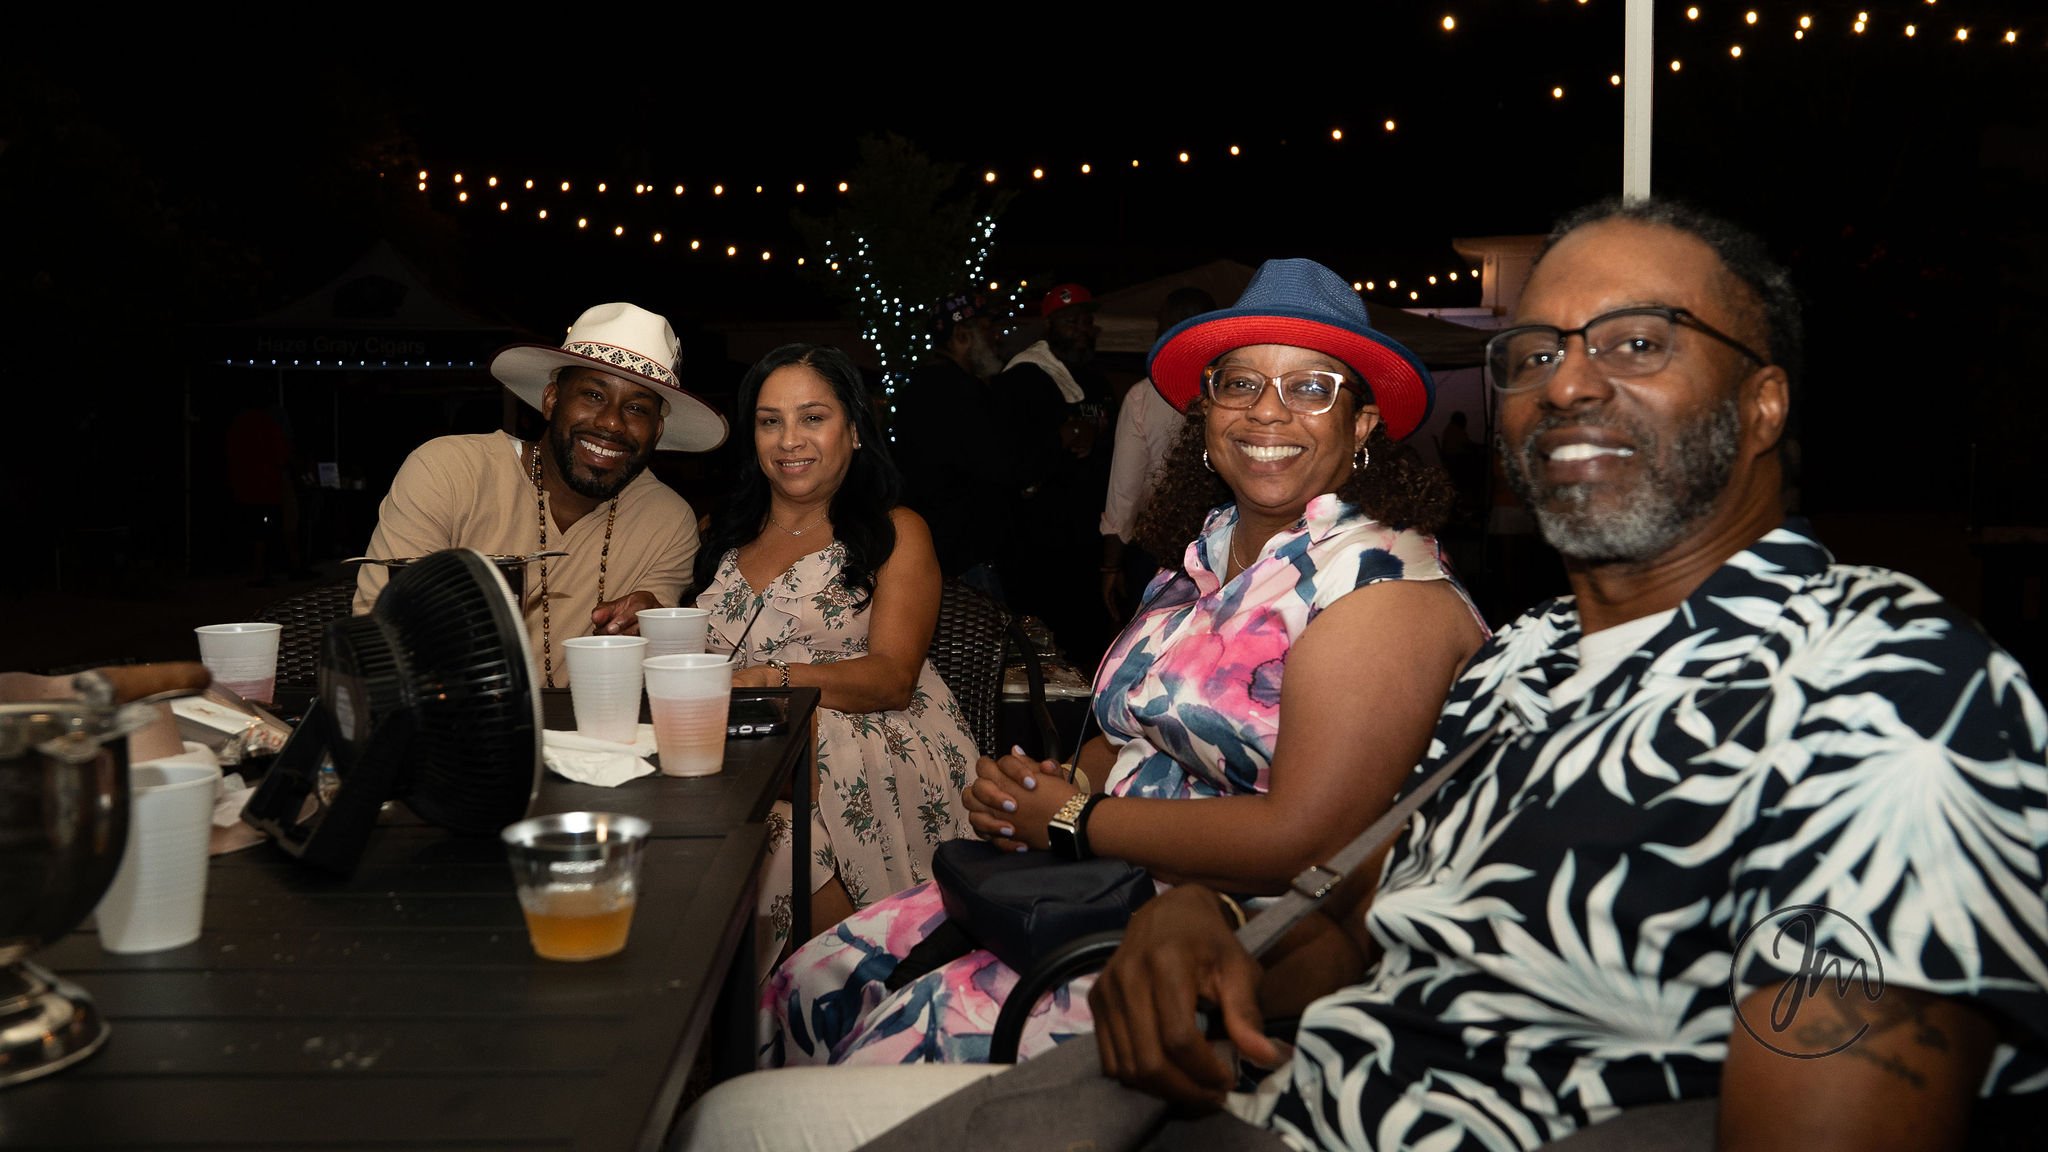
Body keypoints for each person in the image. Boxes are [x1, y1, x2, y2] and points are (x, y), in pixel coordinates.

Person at [673, 200, 2048, 1152]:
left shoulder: (1888, 689)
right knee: (736, 1107)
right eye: (1535, 354)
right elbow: (1368, 911)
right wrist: (1208, 932)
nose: (1568, 385)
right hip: (1270, 1088)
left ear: (1763, 405)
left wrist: (1096, 836)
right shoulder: (1531, 662)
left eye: (1638, 343)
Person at [752, 257, 1488, 1070]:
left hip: (1229, 942)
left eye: (1310, 388)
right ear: (1206, 409)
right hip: (1091, 885)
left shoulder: (1384, 588)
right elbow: (1121, 730)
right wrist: (1041, 788)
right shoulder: (1196, 565)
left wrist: (1072, 819)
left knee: (880, 1050)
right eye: (1239, 384)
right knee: (808, 978)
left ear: (1361, 422)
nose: (1267, 412)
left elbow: (1300, 840)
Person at [692, 343, 980, 975]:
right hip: (744, 738)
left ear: (853, 428)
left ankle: (840, 994)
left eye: (812, 417)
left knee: (786, 828)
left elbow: (893, 677)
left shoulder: (894, 529)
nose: (789, 440)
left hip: (871, 731)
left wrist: (778, 681)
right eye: (770, 421)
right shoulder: (723, 534)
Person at [354, 302, 726, 687]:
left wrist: (649, 628)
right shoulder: (447, 472)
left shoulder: (667, 520)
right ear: (551, 399)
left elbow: (653, 661)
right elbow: (381, 633)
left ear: (657, 431)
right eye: (593, 395)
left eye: (636, 408)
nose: (612, 422)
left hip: (592, 737)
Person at [996, 283, 1122, 672]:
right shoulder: (1025, 377)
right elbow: (1011, 458)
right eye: (1070, 320)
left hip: (1089, 531)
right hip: (1043, 541)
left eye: (1086, 319)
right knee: (1053, 646)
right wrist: (1061, 440)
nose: (1081, 327)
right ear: (1050, 326)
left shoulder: (1093, 378)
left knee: (1093, 640)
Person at [1099, 286, 1217, 625]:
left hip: (1159, 550)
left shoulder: (1143, 395)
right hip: (1226, 545)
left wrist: (1110, 565)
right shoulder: (1234, 387)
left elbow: (1125, 491)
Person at [893, 291, 1012, 601]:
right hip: (966, 557)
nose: (997, 338)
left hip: (937, 551)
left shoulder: (917, 388)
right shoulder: (962, 393)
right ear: (961, 336)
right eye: (987, 330)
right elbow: (996, 466)